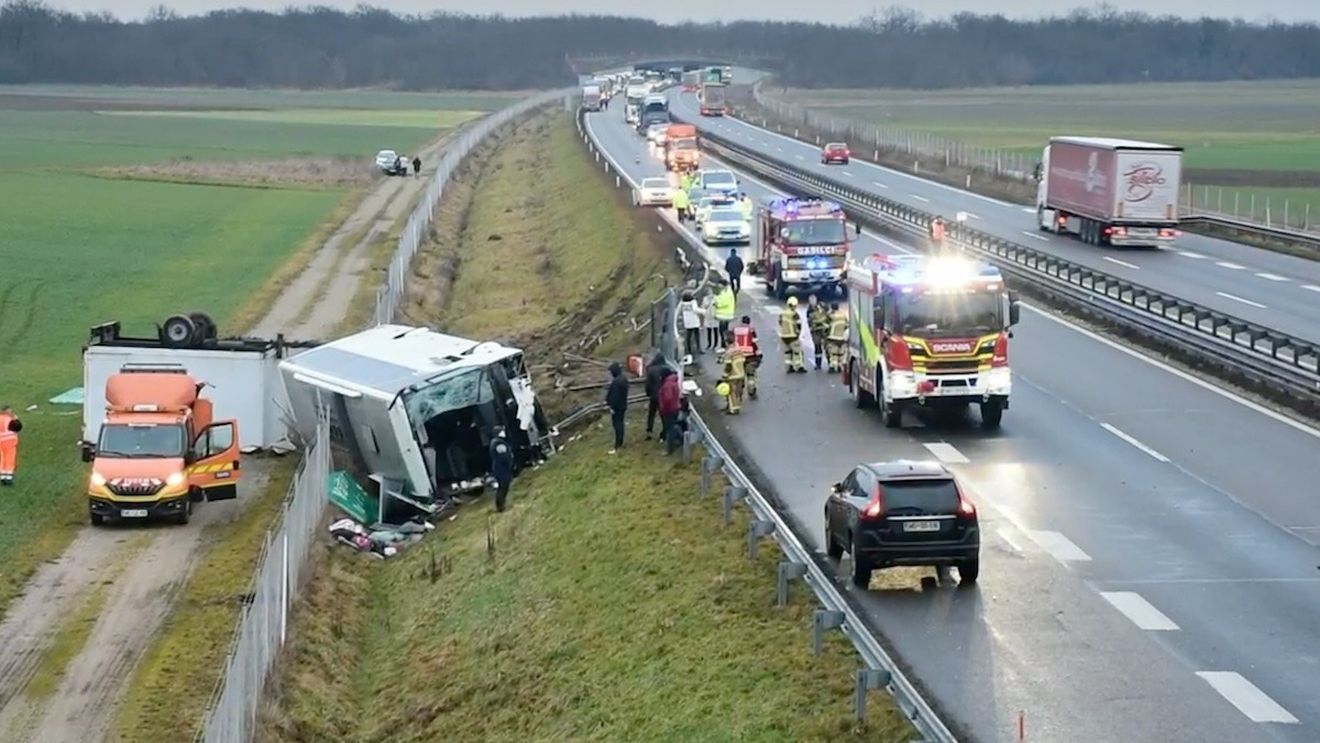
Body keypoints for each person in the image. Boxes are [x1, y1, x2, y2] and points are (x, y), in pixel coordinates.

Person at [731, 315, 761, 399]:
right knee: (750, 375)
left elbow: (731, 342)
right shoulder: (751, 329)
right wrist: (759, 354)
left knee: (739, 374)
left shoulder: (735, 329)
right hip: (750, 356)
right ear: (749, 322)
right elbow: (754, 342)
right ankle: (751, 390)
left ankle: (739, 391)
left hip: (737, 355)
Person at [487, 427, 514, 512]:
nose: (504, 432)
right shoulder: (498, 443)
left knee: (503, 486)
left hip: (499, 467)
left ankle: (501, 504)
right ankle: (500, 505)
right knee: (503, 486)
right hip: (501, 468)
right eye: (502, 431)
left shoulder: (494, 442)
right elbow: (504, 456)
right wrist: (510, 463)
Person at [778, 296, 806, 373]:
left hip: (784, 336)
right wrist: (798, 334)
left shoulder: (782, 313)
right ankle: (799, 367)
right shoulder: (795, 314)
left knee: (787, 352)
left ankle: (789, 367)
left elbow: (780, 322)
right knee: (797, 352)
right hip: (793, 336)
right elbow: (799, 325)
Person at [606, 362, 629, 453]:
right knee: (620, 423)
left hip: (617, 407)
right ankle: (620, 442)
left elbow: (614, 396)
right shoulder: (624, 379)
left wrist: (611, 406)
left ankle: (618, 444)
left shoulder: (616, 382)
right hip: (623, 404)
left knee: (617, 425)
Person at [643, 353, 667, 441]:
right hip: (662, 397)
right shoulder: (665, 369)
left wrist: (648, 394)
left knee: (651, 414)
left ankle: (649, 432)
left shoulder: (651, 370)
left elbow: (648, 384)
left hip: (653, 396)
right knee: (663, 415)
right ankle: (664, 433)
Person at [657, 368, 682, 453]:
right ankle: (681, 439)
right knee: (673, 426)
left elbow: (668, 399)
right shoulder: (673, 381)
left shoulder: (667, 385)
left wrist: (664, 409)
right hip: (675, 408)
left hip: (669, 410)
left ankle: (670, 449)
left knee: (669, 429)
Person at [718, 346, 747, 415]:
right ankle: (736, 407)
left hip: (733, 376)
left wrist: (725, 374)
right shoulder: (739, 351)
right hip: (741, 374)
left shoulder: (729, 352)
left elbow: (728, 366)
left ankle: (733, 410)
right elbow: (744, 362)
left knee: (732, 393)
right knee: (738, 392)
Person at [807, 293, 831, 371]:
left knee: (828, 347)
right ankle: (818, 364)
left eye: (813, 300)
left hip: (824, 330)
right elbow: (810, 321)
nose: (812, 302)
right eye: (810, 300)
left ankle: (831, 363)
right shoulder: (809, 310)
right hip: (816, 331)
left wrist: (827, 324)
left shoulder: (823, 306)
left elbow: (829, 314)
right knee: (817, 347)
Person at [0, 405, 21, 486]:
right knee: (9, 459)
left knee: (2, 459)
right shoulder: (10, 419)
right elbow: (18, 427)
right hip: (10, 442)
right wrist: (16, 419)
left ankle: (2, 476)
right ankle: (8, 477)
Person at [679, 290, 704, 357]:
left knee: (688, 336)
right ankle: (699, 348)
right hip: (694, 320)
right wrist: (703, 311)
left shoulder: (682, 303)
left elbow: (680, 310)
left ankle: (689, 350)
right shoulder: (693, 302)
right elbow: (695, 310)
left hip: (687, 321)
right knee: (697, 335)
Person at [712, 281, 736, 349]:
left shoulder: (727, 293)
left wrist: (716, 303)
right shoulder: (724, 291)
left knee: (722, 331)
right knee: (724, 330)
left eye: (720, 286)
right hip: (724, 315)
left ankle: (724, 345)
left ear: (724, 285)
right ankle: (725, 344)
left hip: (725, 315)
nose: (719, 287)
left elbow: (724, 302)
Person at [826, 302, 849, 373]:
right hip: (842, 337)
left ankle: (833, 366)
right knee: (840, 353)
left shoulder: (830, 316)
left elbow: (826, 326)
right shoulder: (843, 315)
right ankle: (840, 366)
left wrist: (825, 335)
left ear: (832, 308)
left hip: (832, 337)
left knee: (833, 353)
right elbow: (847, 325)